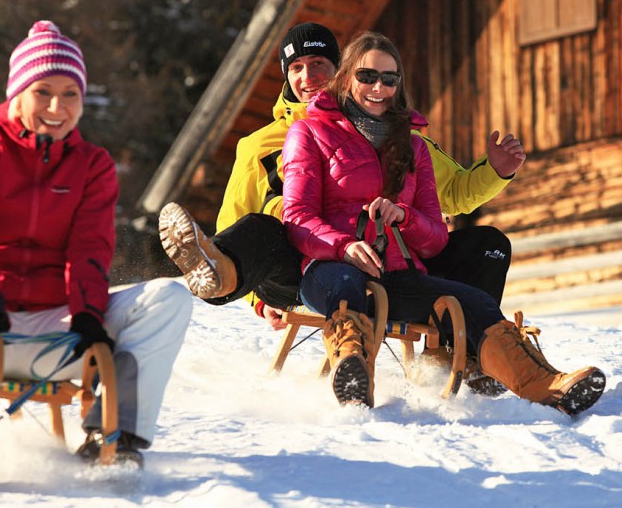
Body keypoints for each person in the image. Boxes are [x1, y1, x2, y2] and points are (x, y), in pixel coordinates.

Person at [0, 21, 193, 471]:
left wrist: (90, 316)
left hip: (55, 327)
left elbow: (90, 249)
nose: (57, 107)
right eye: (43, 91)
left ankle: (115, 435)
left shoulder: (92, 165)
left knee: (169, 297)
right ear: (17, 92)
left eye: (70, 93)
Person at [159, 23, 523, 387]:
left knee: (487, 244)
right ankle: (222, 279)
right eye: (296, 68)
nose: (308, 76)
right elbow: (234, 222)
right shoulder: (259, 145)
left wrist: (495, 171)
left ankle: (469, 356)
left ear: (343, 70)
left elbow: (455, 193)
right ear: (286, 77)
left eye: (318, 63)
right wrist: (258, 298)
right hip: (301, 265)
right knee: (264, 225)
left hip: (389, 260)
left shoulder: (395, 135)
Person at [281, 31, 606, 414]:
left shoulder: (415, 146)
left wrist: (406, 217)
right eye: (367, 76)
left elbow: (435, 239)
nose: (378, 88)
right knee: (346, 285)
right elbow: (297, 217)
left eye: (389, 79)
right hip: (330, 269)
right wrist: (344, 246)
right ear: (348, 75)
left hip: (396, 272)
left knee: (474, 301)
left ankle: (546, 385)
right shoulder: (308, 132)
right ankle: (353, 375)